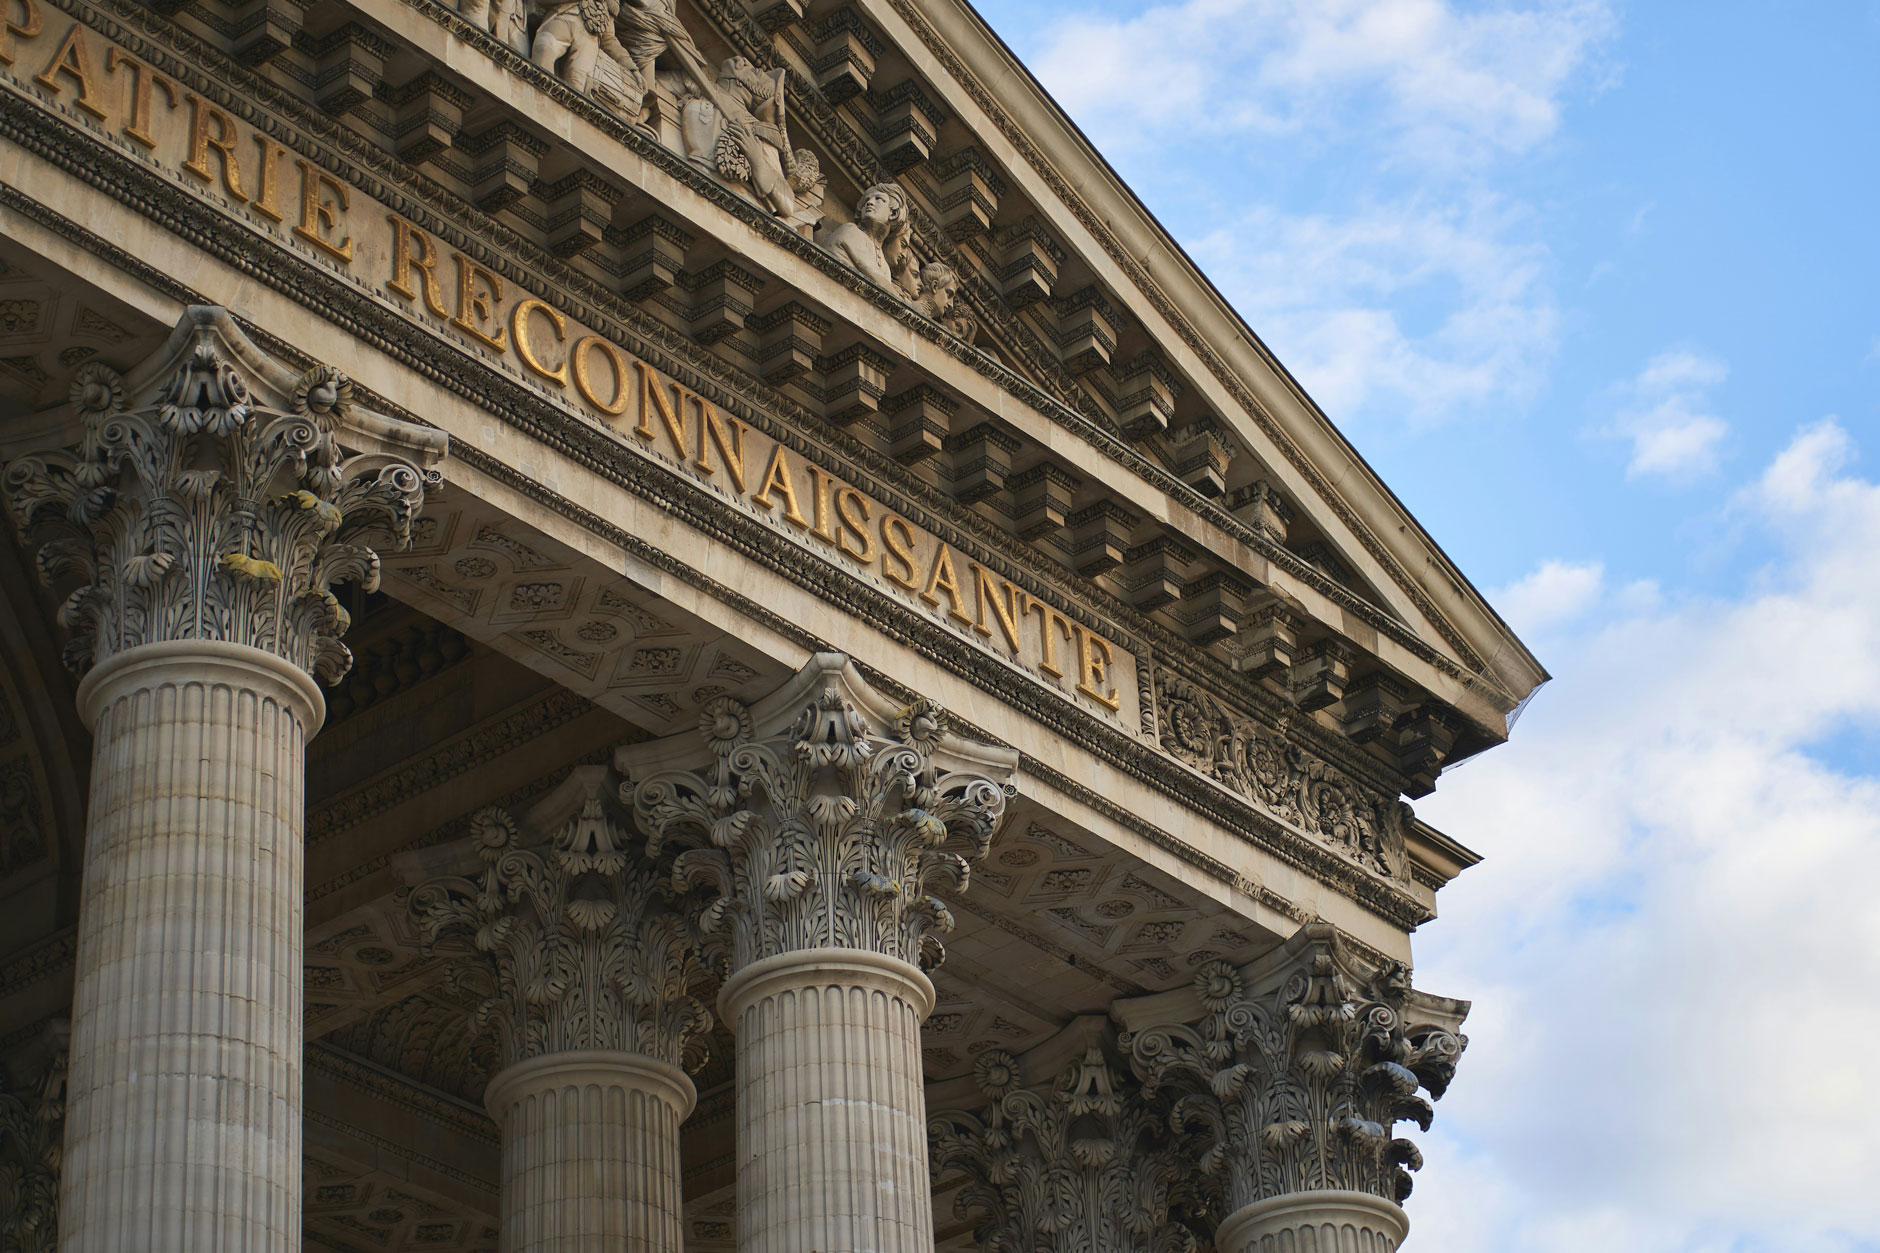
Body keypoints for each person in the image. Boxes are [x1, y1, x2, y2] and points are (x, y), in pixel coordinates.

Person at [817, 182, 912, 293]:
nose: (870, 203)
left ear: (894, 213)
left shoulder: (885, 266)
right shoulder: (851, 231)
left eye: (878, 199)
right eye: (867, 201)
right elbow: (875, 277)